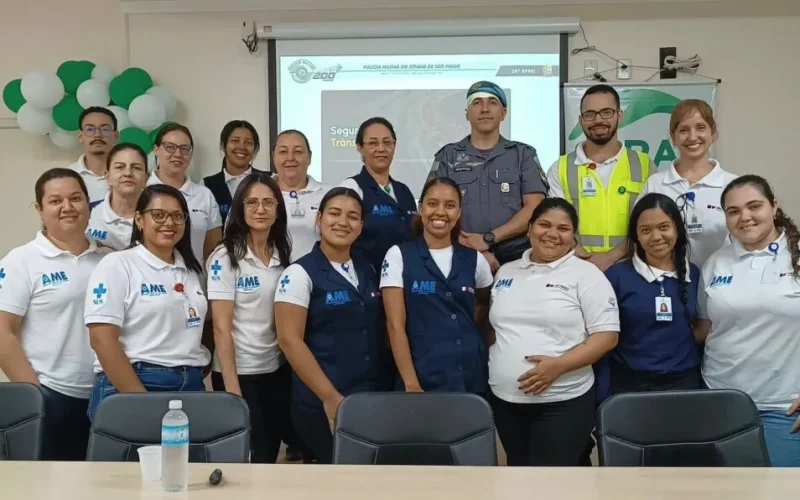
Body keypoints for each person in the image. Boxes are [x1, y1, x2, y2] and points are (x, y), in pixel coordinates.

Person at [488, 198, 619, 466]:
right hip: (506, 400)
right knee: (518, 476)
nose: (552, 234)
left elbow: (607, 336)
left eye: (563, 228)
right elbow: (497, 327)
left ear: (573, 237)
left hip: (563, 401)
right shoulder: (506, 271)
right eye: (544, 225)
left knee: (550, 483)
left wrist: (558, 366)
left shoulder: (587, 275)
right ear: (529, 229)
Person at [0, 168, 109, 460]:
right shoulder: (21, 261)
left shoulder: (110, 260)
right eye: (55, 201)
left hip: (107, 396)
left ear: (89, 203)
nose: (67, 208)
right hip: (52, 396)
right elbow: (3, 334)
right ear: (40, 209)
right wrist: (36, 399)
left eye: (75, 198)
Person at [275, 187, 387, 464]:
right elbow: (289, 340)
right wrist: (330, 397)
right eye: (334, 214)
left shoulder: (367, 267)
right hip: (321, 403)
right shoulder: (299, 273)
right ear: (319, 218)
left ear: (360, 226)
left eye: (352, 217)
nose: (342, 222)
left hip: (368, 399)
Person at [695, 175, 800, 467]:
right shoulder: (716, 262)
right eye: (733, 211)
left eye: (754, 206)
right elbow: (703, 329)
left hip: (784, 406)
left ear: (774, 206)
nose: (745, 217)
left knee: (782, 492)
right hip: (720, 400)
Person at [84, 184, 210, 421]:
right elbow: (102, 341)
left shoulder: (192, 270)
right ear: (139, 220)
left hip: (190, 385)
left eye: (177, 216)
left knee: (185, 458)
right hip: (135, 382)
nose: (169, 223)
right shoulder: (118, 265)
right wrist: (142, 402)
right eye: (158, 215)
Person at [206, 172, 297, 464]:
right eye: (253, 203)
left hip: (276, 369)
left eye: (268, 203)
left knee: (270, 451)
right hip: (239, 373)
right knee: (249, 456)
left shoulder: (282, 252)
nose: (261, 210)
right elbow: (220, 327)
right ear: (240, 209)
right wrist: (233, 390)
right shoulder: (225, 256)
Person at [381, 177, 493, 394]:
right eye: (433, 204)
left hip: (470, 376)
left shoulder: (475, 259)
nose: (440, 212)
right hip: (421, 378)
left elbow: (484, 302)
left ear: (459, 213)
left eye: (450, 206)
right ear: (420, 209)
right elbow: (395, 326)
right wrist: (411, 383)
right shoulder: (399, 256)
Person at [431, 81, 548, 269]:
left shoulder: (523, 154)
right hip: (460, 256)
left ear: (504, 113)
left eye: (493, 102)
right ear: (467, 114)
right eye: (476, 103)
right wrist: (474, 249)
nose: (484, 109)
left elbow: (535, 208)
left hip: (517, 258)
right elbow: (434, 209)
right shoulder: (448, 156)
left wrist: (488, 240)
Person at [548, 84, 654, 272]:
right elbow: (556, 223)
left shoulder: (644, 165)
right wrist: (583, 257)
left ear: (619, 115)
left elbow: (652, 221)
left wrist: (610, 257)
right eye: (590, 114)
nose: (598, 120)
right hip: (577, 267)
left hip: (633, 269)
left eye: (606, 112)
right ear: (581, 120)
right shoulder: (560, 168)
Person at [604, 193, 701, 397]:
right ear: (636, 236)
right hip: (629, 386)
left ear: (677, 229)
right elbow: (604, 341)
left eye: (664, 227)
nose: (656, 237)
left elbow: (700, 331)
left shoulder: (694, 273)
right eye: (646, 230)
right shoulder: (616, 276)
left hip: (684, 385)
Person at [638, 99, 737, 266]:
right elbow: (640, 235)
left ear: (713, 133)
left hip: (718, 282)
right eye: (683, 130)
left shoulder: (732, 185)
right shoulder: (655, 184)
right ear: (673, 138)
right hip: (667, 282)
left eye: (700, 127)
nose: (692, 137)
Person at [340, 117, 417, 273]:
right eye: (373, 143)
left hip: (405, 280)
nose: (381, 149)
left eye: (387, 142)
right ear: (360, 148)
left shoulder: (404, 191)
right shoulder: (351, 188)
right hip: (367, 282)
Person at [149, 123, 222, 262]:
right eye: (170, 147)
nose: (177, 154)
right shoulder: (142, 192)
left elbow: (214, 250)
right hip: (149, 280)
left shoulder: (204, 195)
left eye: (185, 149)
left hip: (194, 279)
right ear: (156, 150)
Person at [273, 129, 331, 262]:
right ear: (273, 157)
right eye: (283, 152)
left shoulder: (330, 194)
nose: (290, 158)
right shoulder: (258, 193)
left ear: (310, 157)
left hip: (318, 276)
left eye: (298, 152)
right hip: (268, 276)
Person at [85, 143, 148, 250]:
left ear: (146, 178)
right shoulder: (87, 213)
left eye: (136, 168)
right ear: (107, 176)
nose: (128, 173)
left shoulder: (158, 218)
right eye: (120, 167)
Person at [203, 120, 266, 225]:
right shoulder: (207, 186)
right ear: (223, 146)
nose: (242, 147)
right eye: (235, 141)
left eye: (248, 143)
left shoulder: (268, 180)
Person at [68, 107, 120, 208]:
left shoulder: (129, 174)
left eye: (105, 129)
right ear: (80, 136)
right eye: (90, 129)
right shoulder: (67, 176)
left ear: (116, 136)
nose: (97, 135)